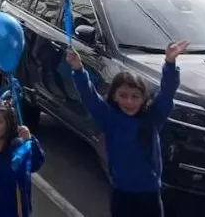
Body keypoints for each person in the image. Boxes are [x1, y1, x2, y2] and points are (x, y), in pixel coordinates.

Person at [66, 40, 188, 217]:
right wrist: (78, 70)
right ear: (114, 96)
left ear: (143, 98)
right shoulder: (109, 119)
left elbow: (168, 91)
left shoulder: (152, 118)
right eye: (123, 96)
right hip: (122, 195)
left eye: (135, 96)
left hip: (150, 195)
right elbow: (89, 96)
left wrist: (170, 63)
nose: (129, 102)